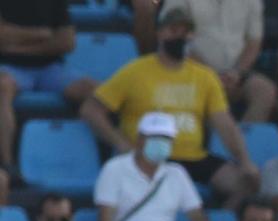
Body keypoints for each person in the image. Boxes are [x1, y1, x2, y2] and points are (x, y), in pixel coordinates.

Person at [83, 5, 261, 210]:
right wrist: (121, 143)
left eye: (186, 32)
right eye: (173, 30)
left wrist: (245, 161)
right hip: (147, 155)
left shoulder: (205, 77)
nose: (180, 36)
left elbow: (225, 125)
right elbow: (91, 109)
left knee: (248, 184)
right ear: (160, 33)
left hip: (193, 156)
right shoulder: (135, 71)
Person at [0, 0, 79, 178]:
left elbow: (67, 42)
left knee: (94, 92)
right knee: (2, 87)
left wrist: (16, 44)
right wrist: (42, 34)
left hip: (51, 70)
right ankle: (7, 164)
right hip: (10, 69)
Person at [182, 0, 275, 125]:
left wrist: (236, 72)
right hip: (195, 70)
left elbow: (254, 43)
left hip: (236, 73)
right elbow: (179, 39)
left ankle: (244, 141)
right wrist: (211, 76)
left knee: (265, 91)